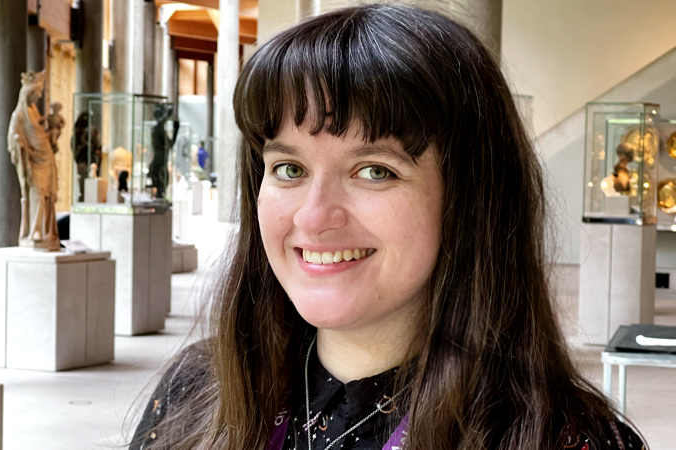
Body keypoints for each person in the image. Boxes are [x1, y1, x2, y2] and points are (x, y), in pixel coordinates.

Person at [129, 5, 646, 450]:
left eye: (375, 170)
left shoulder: (565, 437)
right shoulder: (197, 389)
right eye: (290, 169)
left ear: (471, 198)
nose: (313, 216)